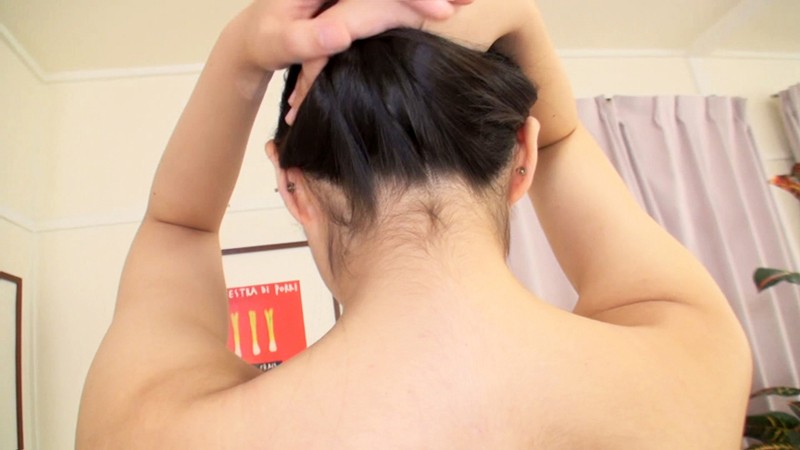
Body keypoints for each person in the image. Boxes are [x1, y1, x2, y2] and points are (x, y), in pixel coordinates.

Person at [76, 0, 753, 448]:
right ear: (522, 155)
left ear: (293, 187)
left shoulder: (155, 430)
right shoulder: (695, 361)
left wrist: (240, 50)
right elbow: (563, 137)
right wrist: (521, 16)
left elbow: (179, 226)